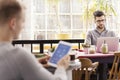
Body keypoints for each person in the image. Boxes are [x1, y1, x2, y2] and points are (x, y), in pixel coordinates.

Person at [0, 0, 70, 80]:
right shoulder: (19, 55)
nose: (23, 27)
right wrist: (61, 67)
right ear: (13, 23)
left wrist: (33, 64)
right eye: (22, 21)